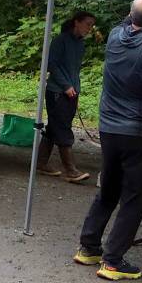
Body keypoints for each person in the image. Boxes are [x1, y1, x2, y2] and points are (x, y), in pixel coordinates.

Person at [74, 0, 142, 280]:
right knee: (135, 197)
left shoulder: (116, 37)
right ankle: (113, 260)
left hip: (109, 128)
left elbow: (130, 19)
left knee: (110, 188)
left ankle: (89, 247)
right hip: (136, 131)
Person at [37, 11, 96, 182]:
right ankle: (71, 170)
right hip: (57, 91)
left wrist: (75, 87)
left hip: (71, 92)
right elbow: (51, 65)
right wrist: (66, 85)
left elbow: (73, 69)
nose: (90, 28)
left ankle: (41, 163)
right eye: (88, 24)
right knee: (62, 128)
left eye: (92, 25)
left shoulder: (80, 44)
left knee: (55, 127)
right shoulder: (60, 41)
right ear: (76, 22)